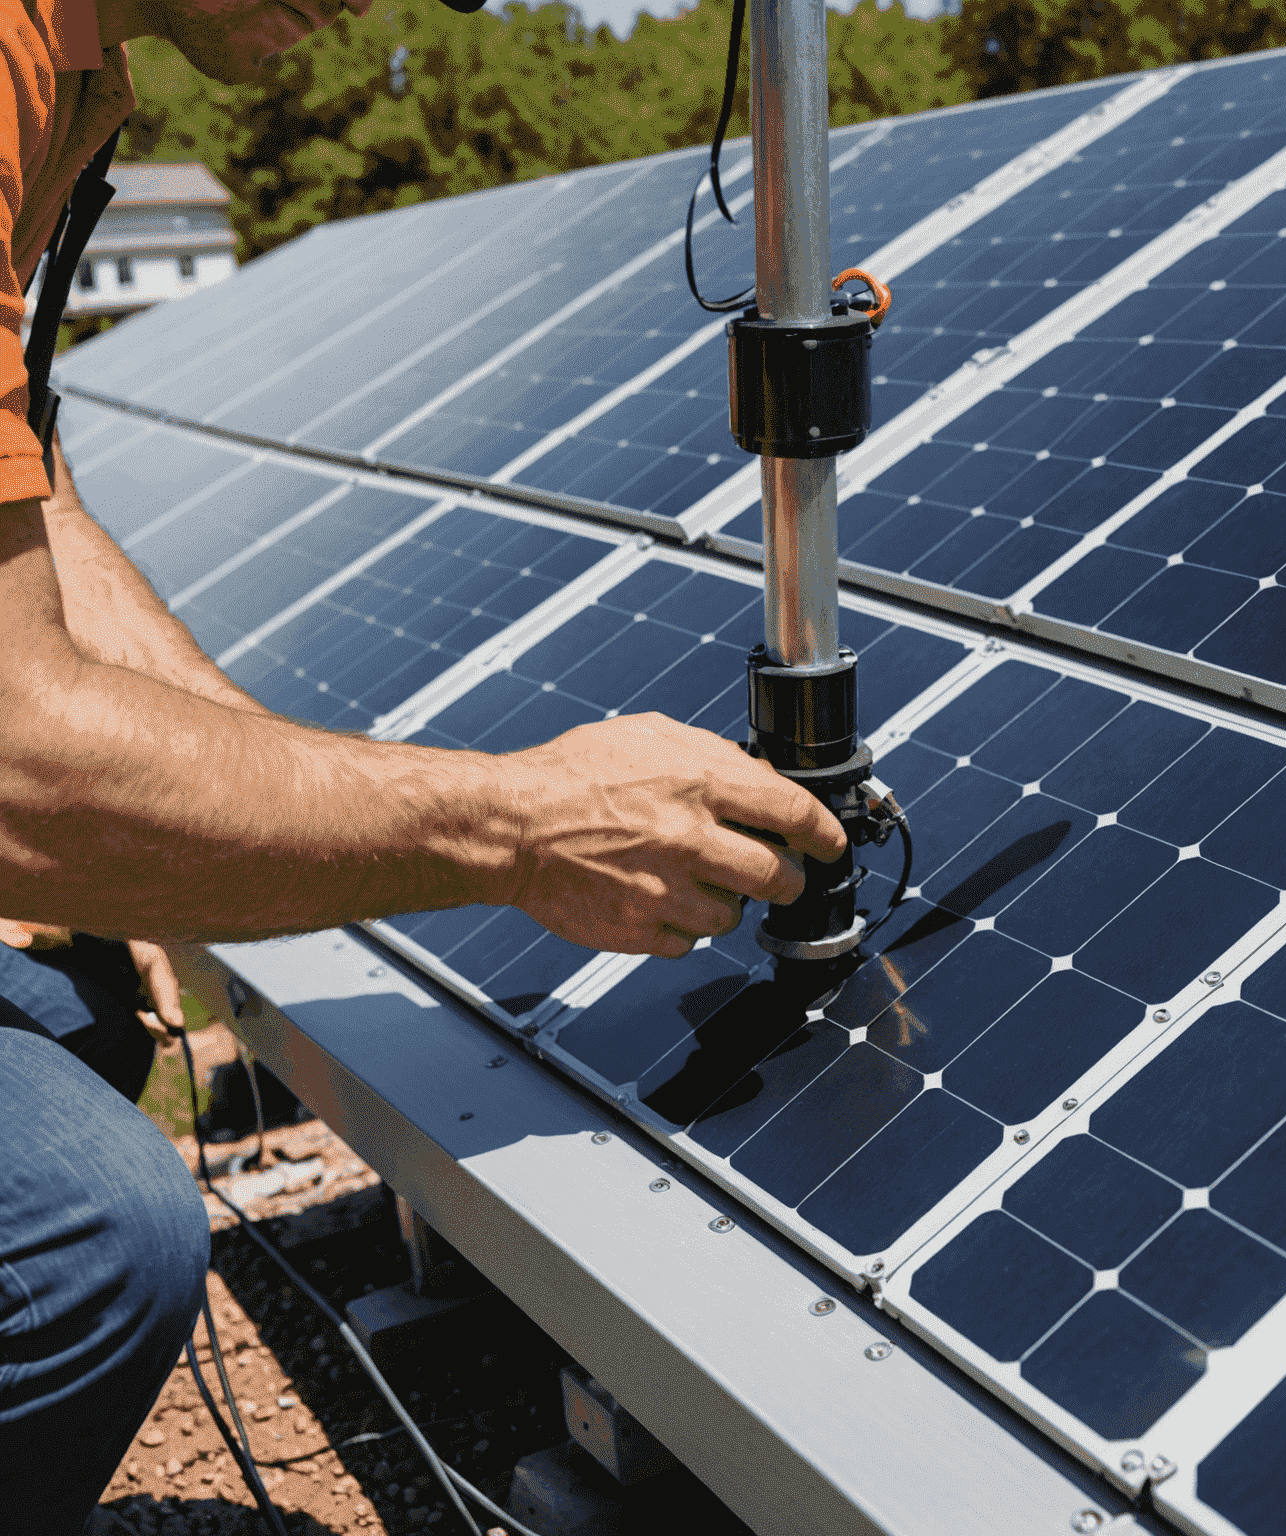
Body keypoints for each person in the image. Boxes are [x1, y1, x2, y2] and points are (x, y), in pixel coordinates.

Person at [0, 1, 845, 1529]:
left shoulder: (78, 67)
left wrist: (230, 818)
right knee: (79, 1229)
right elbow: (7, 760)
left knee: (71, 1007)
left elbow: (31, 496)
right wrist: (511, 828)